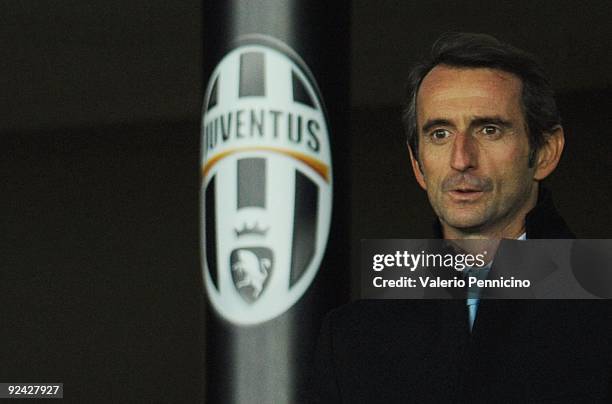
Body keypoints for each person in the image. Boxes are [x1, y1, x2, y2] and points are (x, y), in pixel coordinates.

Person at [309, 33, 611, 403]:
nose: (461, 159)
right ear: (418, 165)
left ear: (546, 151)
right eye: (439, 133)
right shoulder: (350, 336)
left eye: (489, 129)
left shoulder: (600, 301)